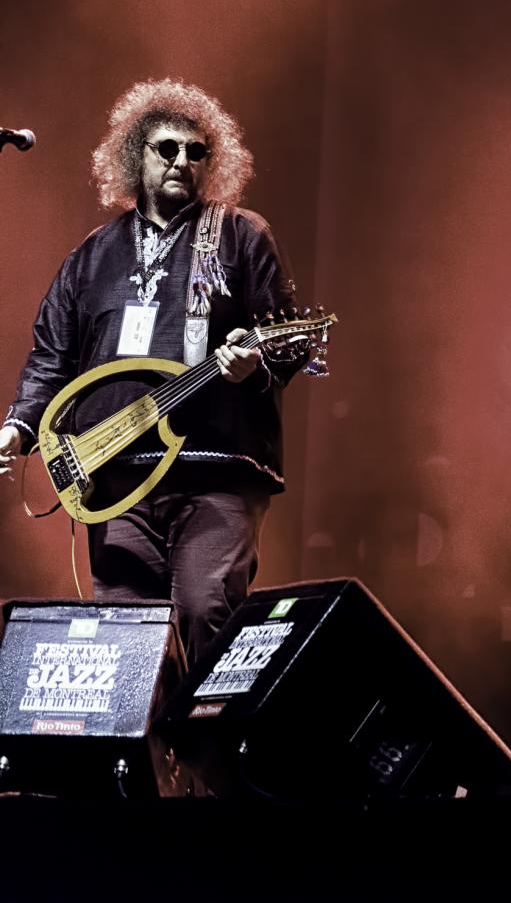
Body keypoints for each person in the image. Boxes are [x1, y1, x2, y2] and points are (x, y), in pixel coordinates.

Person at [0, 79, 303, 659]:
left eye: (196, 151)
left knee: (206, 610)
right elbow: (51, 356)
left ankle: (205, 751)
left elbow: (286, 345)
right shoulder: (91, 255)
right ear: (133, 153)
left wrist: (254, 365)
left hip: (213, 471)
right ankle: (143, 753)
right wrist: (18, 427)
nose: (181, 161)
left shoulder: (242, 235)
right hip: (112, 476)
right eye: (167, 148)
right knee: (125, 639)